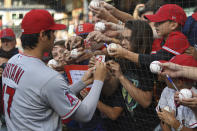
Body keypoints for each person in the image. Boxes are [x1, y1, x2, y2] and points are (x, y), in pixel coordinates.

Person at [2, 9, 107, 131]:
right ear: (42, 35)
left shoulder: (13, 61)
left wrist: (82, 82)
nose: (55, 36)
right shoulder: (48, 76)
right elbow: (85, 114)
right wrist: (99, 80)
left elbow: (49, 94)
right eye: (52, 32)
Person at [108, 20, 159, 131]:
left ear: (140, 40)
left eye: (128, 39)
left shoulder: (148, 65)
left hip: (152, 126)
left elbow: (146, 102)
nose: (122, 43)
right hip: (132, 126)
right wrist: (107, 74)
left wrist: (121, 77)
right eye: (123, 38)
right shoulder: (124, 59)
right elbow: (110, 90)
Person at [108, 4, 190, 68]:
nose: (155, 24)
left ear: (173, 25)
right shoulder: (161, 39)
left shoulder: (178, 38)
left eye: (159, 22)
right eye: (155, 22)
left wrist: (125, 54)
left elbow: (155, 60)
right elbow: (138, 32)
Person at [156, 54, 197, 130]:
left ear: (179, 82)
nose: (165, 76)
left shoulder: (194, 99)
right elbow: (163, 122)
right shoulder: (167, 90)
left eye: (168, 74)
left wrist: (174, 123)